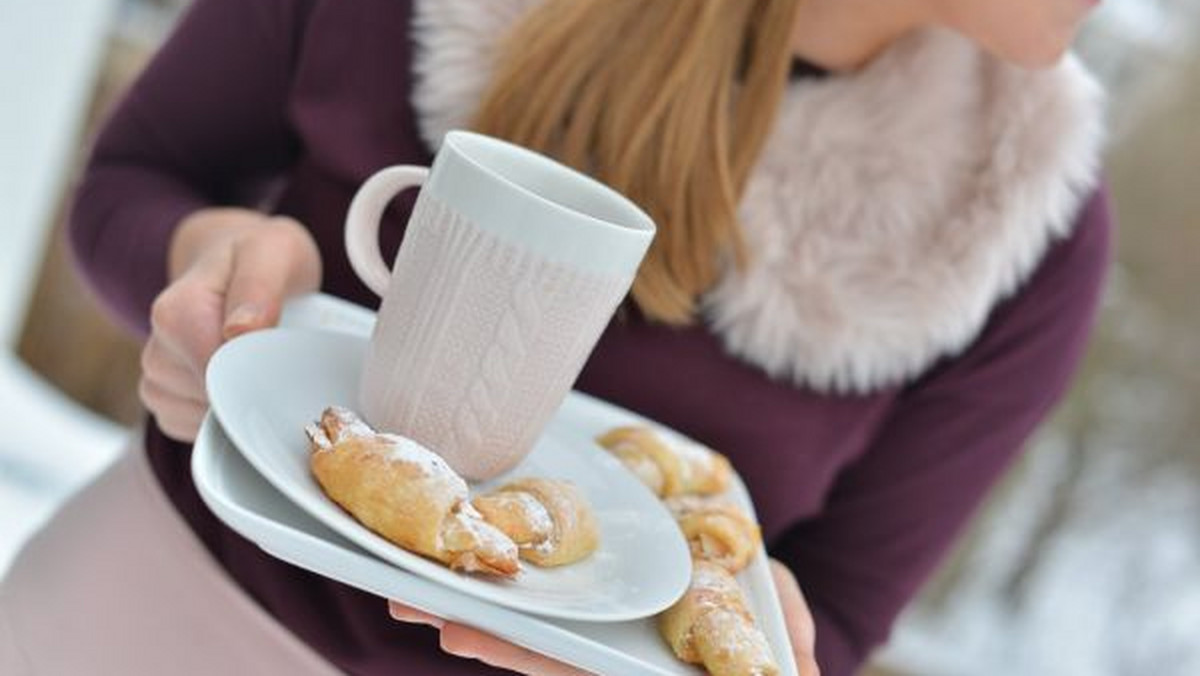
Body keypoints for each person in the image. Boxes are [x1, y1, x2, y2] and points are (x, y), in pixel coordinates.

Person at [0, 0, 1111, 674]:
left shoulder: (1017, 217)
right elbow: (135, 183)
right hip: (129, 625)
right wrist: (211, 260)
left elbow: (843, 610)